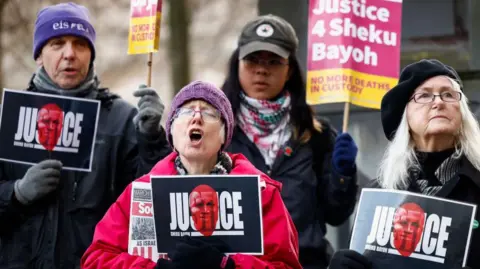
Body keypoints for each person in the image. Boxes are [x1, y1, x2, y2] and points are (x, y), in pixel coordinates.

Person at [0, 3, 170, 268]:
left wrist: (152, 141)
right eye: (57, 43)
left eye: (80, 44)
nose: (70, 54)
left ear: (91, 54)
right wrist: (16, 194)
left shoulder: (123, 120)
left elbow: (148, 211)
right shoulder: (6, 117)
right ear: (39, 55)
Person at [80, 80, 302, 269]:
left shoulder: (261, 194)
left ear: (224, 136)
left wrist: (228, 265)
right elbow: (96, 259)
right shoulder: (141, 193)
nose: (197, 118)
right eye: (186, 111)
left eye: (209, 112)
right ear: (172, 132)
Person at [221, 14, 359, 269]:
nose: (262, 69)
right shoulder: (216, 131)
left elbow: (336, 215)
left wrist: (343, 175)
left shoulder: (315, 134)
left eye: (274, 61)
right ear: (237, 63)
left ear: (290, 69)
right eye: (252, 60)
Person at [329, 59, 480, 269]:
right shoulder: (380, 195)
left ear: (462, 112)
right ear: (404, 116)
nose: (439, 102)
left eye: (448, 94)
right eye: (424, 95)